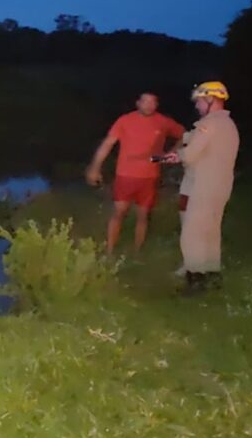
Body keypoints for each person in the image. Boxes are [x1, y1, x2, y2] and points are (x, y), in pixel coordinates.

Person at [159, 81, 240, 294]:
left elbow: (191, 153)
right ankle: (213, 275)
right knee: (210, 232)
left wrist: (174, 157)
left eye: (199, 101)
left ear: (211, 99)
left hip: (204, 185)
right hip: (220, 186)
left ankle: (195, 281)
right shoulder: (228, 125)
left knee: (192, 233)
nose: (197, 106)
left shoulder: (209, 125)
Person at [85, 92, 185, 254]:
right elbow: (108, 143)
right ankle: (109, 251)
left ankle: (137, 252)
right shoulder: (125, 120)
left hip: (150, 176)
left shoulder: (163, 122)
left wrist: (170, 154)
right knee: (119, 212)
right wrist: (95, 167)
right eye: (145, 101)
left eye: (153, 102)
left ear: (157, 105)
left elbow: (184, 135)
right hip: (126, 175)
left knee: (143, 216)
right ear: (138, 103)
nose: (149, 105)